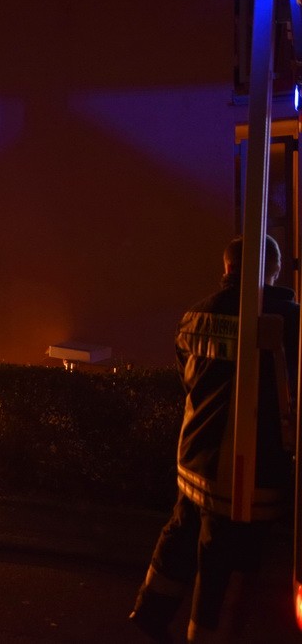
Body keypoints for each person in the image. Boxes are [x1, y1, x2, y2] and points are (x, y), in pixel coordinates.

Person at [129, 234, 298, 642]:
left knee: (181, 534)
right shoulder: (290, 321)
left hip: (194, 457)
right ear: (273, 270)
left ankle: (150, 612)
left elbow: (188, 380)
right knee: (226, 560)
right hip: (253, 468)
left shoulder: (194, 316)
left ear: (227, 268)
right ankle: (205, 635)